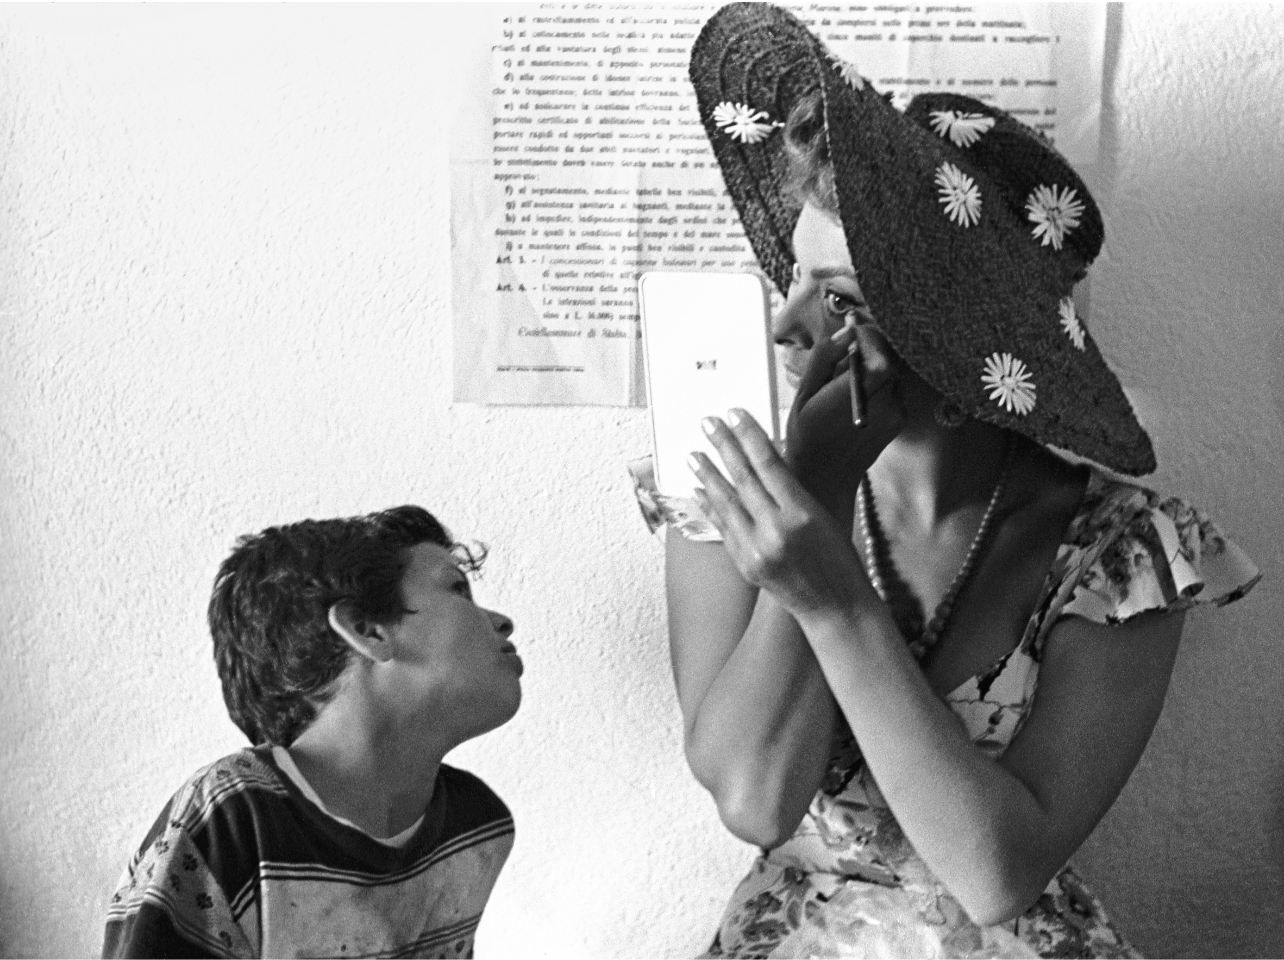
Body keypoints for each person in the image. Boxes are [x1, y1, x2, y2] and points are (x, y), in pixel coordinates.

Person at [629, 5, 1262, 958]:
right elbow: (757, 800)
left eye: (838, 298)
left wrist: (836, 600)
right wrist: (819, 497)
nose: (788, 329)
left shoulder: (1126, 555)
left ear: (966, 344)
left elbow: (996, 872)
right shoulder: (730, 494)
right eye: (792, 281)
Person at [102, 505, 523, 959]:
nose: (502, 621)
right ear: (368, 629)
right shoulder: (233, 823)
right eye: (458, 589)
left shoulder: (476, 826)